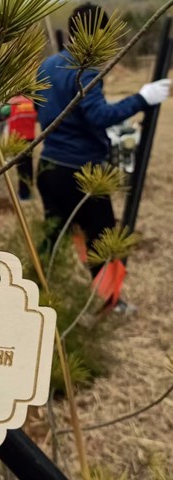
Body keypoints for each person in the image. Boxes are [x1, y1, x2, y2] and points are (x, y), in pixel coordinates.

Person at [36, 2, 171, 310]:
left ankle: (34, 291)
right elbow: (98, 115)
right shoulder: (85, 70)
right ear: (97, 34)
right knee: (102, 238)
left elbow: (46, 109)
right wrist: (142, 98)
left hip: (49, 166)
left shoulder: (47, 66)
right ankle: (111, 300)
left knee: (52, 236)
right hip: (81, 172)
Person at [6, 95, 37, 200]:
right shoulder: (31, 102)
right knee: (29, 163)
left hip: (17, 138)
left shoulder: (13, 102)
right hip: (30, 137)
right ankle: (30, 187)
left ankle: (24, 194)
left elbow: (2, 113)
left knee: (21, 166)